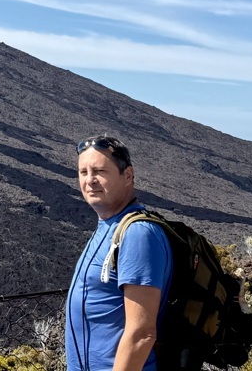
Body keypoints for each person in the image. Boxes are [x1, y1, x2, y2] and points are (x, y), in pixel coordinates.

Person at [65, 136, 173, 371]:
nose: (90, 180)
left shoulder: (138, 235)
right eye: (83, 172)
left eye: (100, 171)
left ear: (128, 176)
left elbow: (141, 334)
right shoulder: (109, 226)